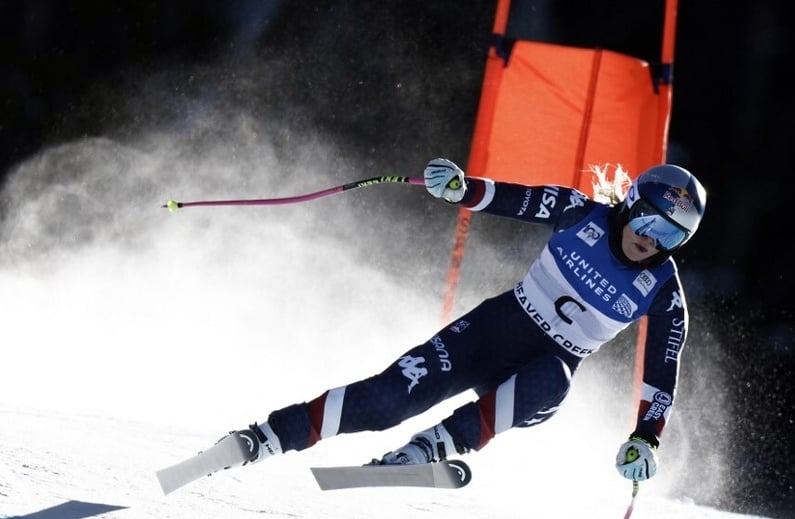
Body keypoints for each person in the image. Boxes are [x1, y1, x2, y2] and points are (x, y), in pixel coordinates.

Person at [217, 157, 706, 483]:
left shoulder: (664, 292)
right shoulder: (581, 213)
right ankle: (268, 436)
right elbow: (516, 198)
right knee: (387, 401)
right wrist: (459, 189)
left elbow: (661, 375)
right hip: (492, 332)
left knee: (552, 378)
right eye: (648, 219)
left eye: (671, 235)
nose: (651, 239)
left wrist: (646, 438)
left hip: (535, 379)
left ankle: (431, 449)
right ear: (629, 203)